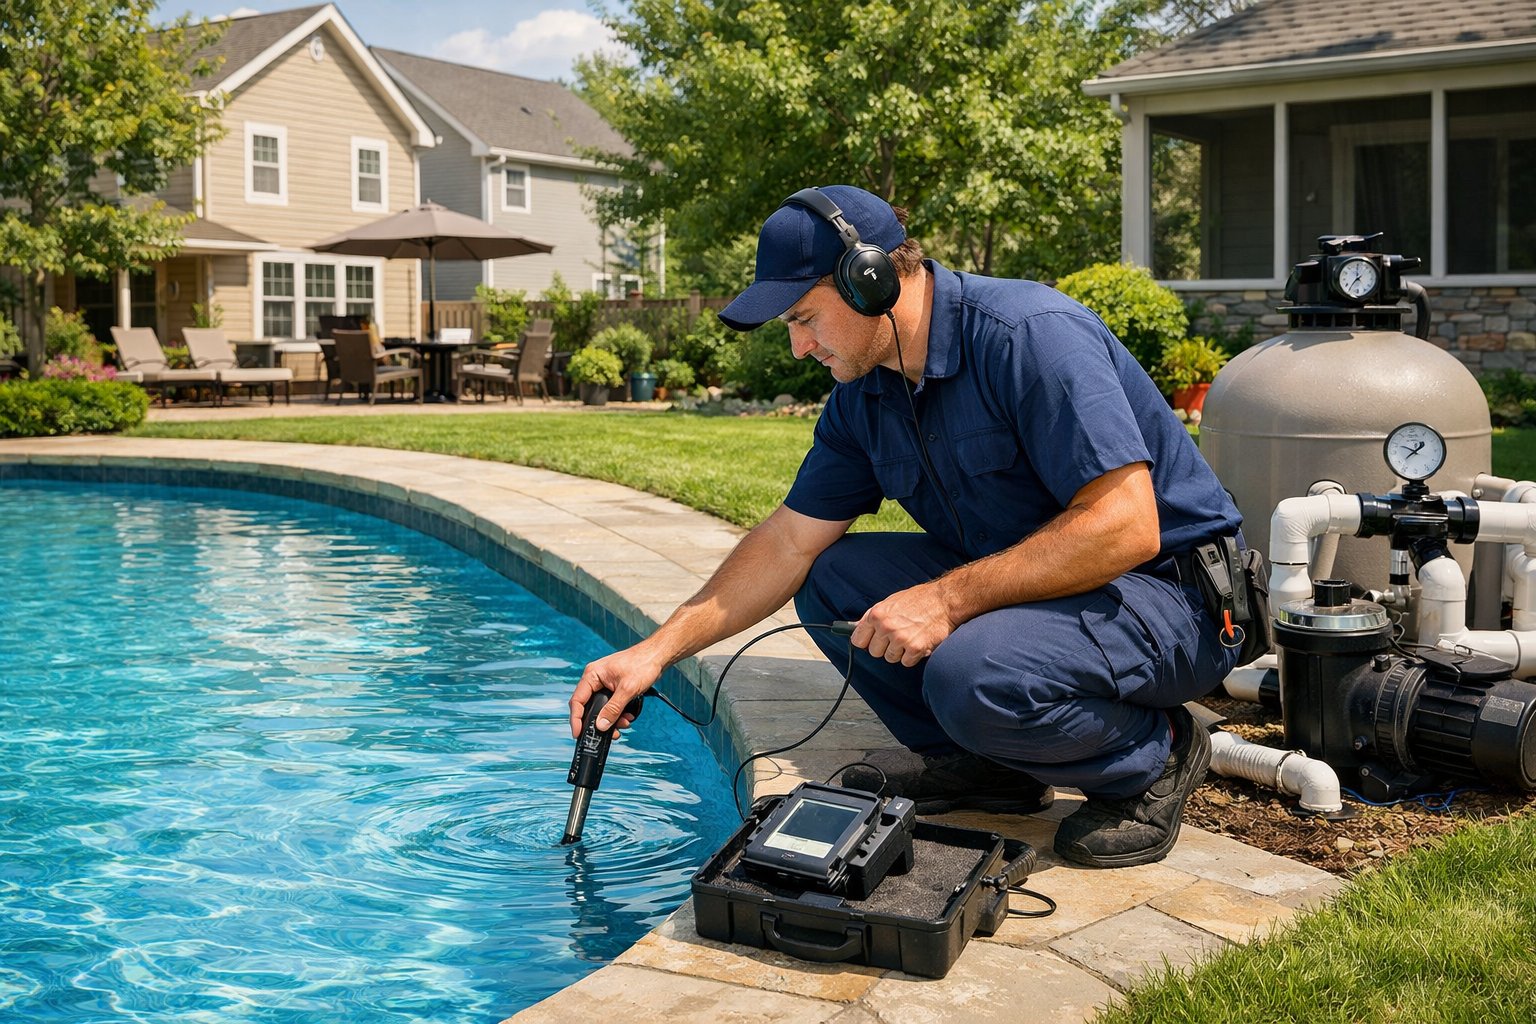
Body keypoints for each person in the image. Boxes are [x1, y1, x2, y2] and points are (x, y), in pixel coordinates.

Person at [569, 184, 1247, 868]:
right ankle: (987, 766)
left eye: (805, 318)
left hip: (1173, 600)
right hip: (1051, 596)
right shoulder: (863, 394)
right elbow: (788, 541)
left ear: (871, 280)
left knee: (972, 673)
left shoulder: (1029, 334)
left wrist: (946, 599)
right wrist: (654, 653)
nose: (799, 347)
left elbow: (1124, 529)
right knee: (833, 581)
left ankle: (1151, 755)